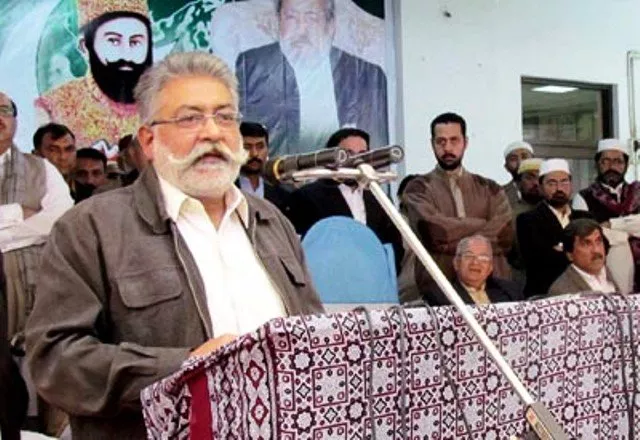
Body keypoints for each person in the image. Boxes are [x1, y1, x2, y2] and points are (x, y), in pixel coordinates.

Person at [25, 51, 323, 439]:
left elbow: (311, 332)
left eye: (224, 117)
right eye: (189, 118)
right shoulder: (91, 228)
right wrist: (182, 370)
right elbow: (54, 360)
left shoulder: (270, 221)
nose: (212, 132)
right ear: (149, 140)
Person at [235, 0, 388, 154]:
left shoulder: (366, 75)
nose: (301, 30)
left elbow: (378, 151)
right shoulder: (252, 66)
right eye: (291, 17)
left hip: (341, 169)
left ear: (331, 25)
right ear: (278, 21)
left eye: (312, 17)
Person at [402, 112, 513, 294]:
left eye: (454, 140)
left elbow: (504, 237)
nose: (447, 148)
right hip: (439, 288)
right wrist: (482, 225)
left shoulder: (490, 188)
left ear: (465, 142)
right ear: (432, 144)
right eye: (441, 141)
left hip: (493, 290)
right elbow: (434, 233)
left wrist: (451, 239)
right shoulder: (418, 188)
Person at [35, 0, 152, 149]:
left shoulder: (163, 103)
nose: (127, 55)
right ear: (85, 46)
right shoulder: (51, 108)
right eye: (114, 41)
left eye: (135, 42)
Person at [288, 127, 403, 269]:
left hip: (375, 277)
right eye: (349, 154)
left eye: (363, 154)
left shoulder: (378, 196)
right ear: (331, 159)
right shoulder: (308, 197)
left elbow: (395, 244)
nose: (357, 161)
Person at [516, 159, 591, 298]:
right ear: (541, 187)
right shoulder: (527, 220)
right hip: (545, 293)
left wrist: (561, 248)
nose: (559, 188)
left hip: (585, 291)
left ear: (571, 185)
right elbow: (539, 260)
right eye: (552, 183)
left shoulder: (585, 217)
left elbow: (601, 251)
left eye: (564, 182)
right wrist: (580, 250)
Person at [573, 138, 640, 293]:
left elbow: (603, 231)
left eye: (618, 161)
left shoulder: (637, 192)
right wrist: (630, 230)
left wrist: (612, 225)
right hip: (606, 275)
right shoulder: (583, 197)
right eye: (606, 161)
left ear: (626, 165)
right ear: (598, 164)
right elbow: (587, 235)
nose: (612, 166)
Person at [424, 235, 521, 306]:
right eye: (469, 256)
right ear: (456, 263)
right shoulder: (439, 296)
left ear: (490, 267)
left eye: (483, 258)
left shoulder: (510, 290)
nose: (475, 262)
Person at [548, 219, 619, 296]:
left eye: (598, 241)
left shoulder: (607, 273)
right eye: (586, 244)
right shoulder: (560, 291)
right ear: (570, 255)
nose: (596, 250)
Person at [236, 121, 291, 214]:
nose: (254, 154)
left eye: (260, 147)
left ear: (267, 149)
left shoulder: (282, 195)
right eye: (247, 147)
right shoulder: (223, 192)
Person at [502, 141, 534, 208]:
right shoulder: (498, 194)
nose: (520, 162)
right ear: (506, 167)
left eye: (524, 157)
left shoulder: (546, 188)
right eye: (513, 159)